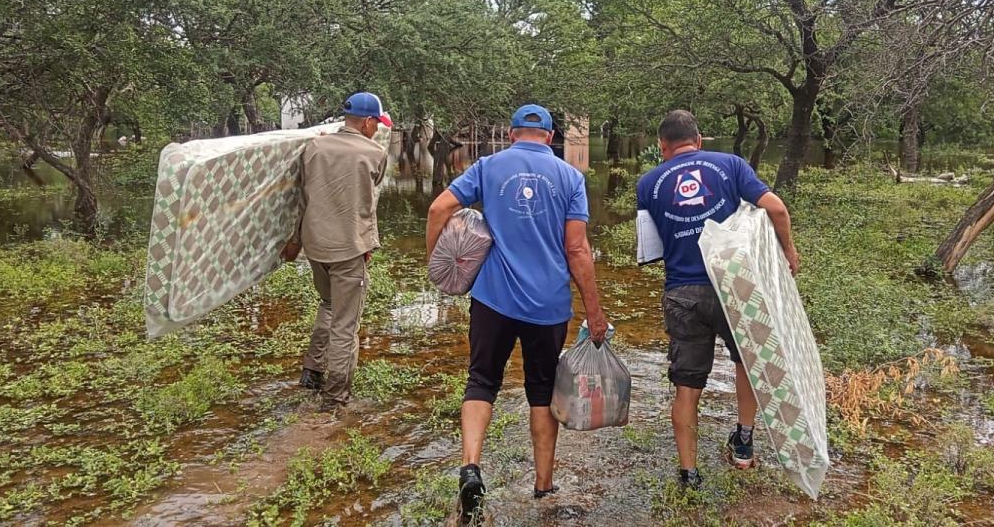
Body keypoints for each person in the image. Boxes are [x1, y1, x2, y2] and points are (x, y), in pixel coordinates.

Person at [425, 104, 609, 520]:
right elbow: (577, 249)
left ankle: (471, 468)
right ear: (550, 137)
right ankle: (543, 486)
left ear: (511, 134)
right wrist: (594, 312)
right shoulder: (570, 177)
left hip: (493, 300)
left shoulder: (488, 166)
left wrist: (437, 262)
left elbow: (438, 209)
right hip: (548, 305)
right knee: (542, 392)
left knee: (481, 381)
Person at [636, 109, 799, 490]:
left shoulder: (648, 183)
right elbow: (776, 208)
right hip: (734, 287)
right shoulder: (730, 164)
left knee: (687, 385)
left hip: (682, 292)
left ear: (662, 146)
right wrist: (788, 250)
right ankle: (743, 442)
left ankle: (689, 474)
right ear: (698, 139)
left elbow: (650, 249)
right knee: (747, 362)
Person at [282, 91, 391, 413]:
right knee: (346, 325)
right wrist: (368, 242)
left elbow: (303, 199)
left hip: (315, 245)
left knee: (328, 303)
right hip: (348, 248)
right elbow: (368, 198)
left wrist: (295, 240)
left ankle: (312, 372)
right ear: (368, 122)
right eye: (376, 123)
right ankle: (335, 398)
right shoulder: (375, 153)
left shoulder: (314, 147)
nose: (377, 129)